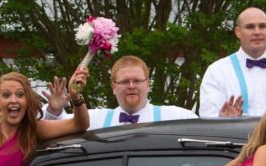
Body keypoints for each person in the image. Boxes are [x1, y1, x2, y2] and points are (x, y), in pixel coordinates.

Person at [198, 7, 266, 119]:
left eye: (262, 26)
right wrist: (222, 119)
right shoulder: (217, 71)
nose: (257, 32)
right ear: (238, 32)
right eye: (250, 27)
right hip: (234, 136)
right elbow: (208, 117)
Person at [42, 55, 197, 129]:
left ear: (148, 84)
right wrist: (57, 107)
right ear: (113, 87)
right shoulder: (95, 119)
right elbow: (55, 128)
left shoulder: (176, 117)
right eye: (124, 81)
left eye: (137, 81)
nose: (131, 86)